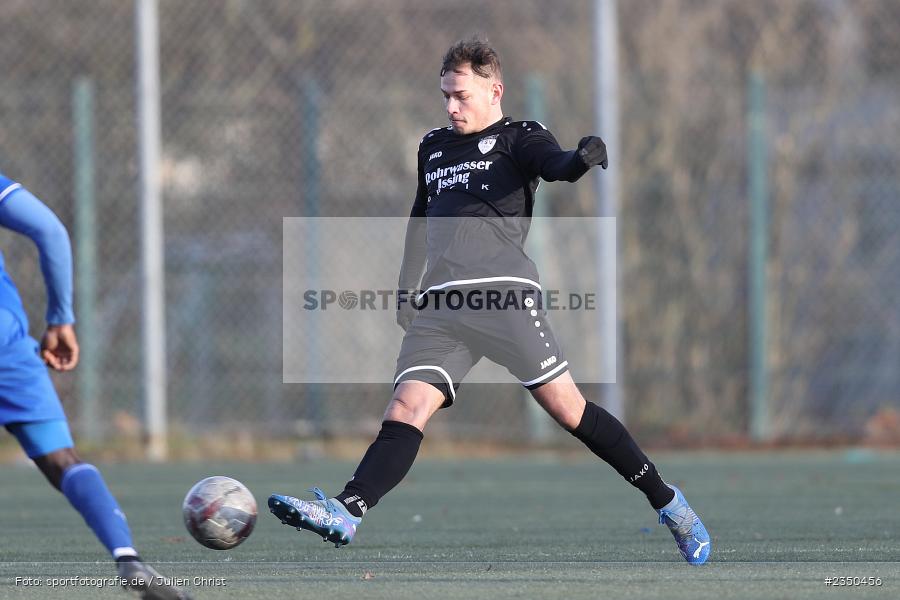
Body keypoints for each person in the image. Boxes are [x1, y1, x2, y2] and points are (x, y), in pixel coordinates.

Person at [270, 37, 711, 565]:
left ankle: (670, 504)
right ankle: (347, 511)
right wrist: (407, 285)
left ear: (494, 90)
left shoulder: (520, 137)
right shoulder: (432, 146)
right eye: (445, 95)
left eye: (461, 95)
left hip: (503, 297)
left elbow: (555, 165)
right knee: (406, 407)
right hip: (441, 305)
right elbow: (420, 216)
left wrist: (580, 159)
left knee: (569, 411)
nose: (451, 106)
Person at [0, 172, 192, 598]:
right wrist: (60, 319)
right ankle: (127, 557)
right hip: (6, 346)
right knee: (63, 460)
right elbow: (50, 230)